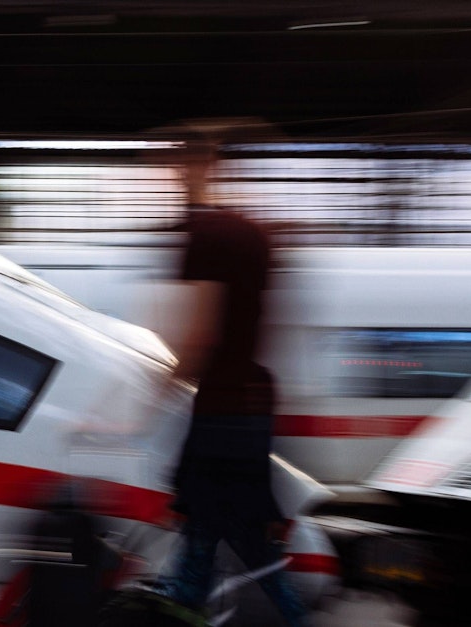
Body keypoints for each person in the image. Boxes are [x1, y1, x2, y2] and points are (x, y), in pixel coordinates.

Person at [160, 135, 310, 627]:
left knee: (224, 539)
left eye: (180, 167)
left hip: (222, 409)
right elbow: (271, 323)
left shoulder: (205, 236)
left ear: (195, 169)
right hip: (253, 400)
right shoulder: (254, 233)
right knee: (212, 540)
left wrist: (149, 394)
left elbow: (199, 334)